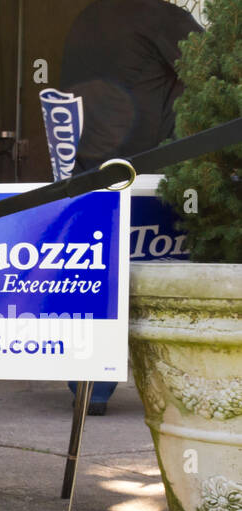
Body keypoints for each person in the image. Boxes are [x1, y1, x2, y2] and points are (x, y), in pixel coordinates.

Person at [59, 0, 201, 414]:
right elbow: (213, 69)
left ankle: (90, 387)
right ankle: (174, 382)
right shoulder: (160, 16)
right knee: (160, 279)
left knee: (95, 277)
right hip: (148, 170)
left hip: (89, 169)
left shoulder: (86, 17)